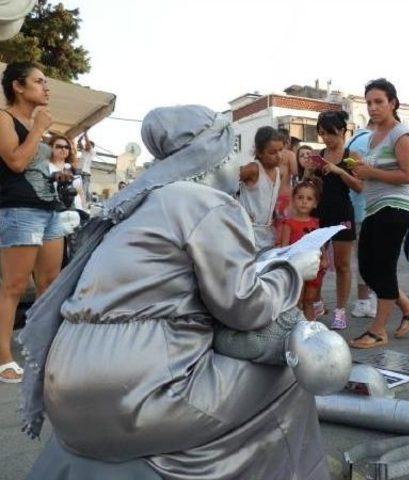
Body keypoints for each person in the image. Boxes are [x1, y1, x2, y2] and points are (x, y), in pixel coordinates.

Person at [21, 105, 331, 480]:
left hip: (66, 397)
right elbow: (244, 307)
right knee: (291, 373)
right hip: (140, 395)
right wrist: (291, 270)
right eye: (236, 153)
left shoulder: (135, 204)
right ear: (218, 156)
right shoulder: (205, 202)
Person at [349, 78, 409, 349]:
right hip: (373, 208)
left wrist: (371, 172)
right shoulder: (371, 138)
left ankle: (378, 329)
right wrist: (358, 166)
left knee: (381, 266)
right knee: (368, 267)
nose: (373, 107)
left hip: (395, 208)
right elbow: (370, 175)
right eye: (369, 103)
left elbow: (407, 176)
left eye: (379, 102)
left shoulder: (400, 134)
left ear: (392, 103)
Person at [0, 62, 59, 384]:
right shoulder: (4, 118)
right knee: (14, 286)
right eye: (39, 81)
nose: (46, 87)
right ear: (18, 87)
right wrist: (37, 130)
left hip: (48, 208)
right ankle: (3, 357)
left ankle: (38, 343)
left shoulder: (37, 122)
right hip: (18, 209)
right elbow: (16, 162)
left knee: (50, 283)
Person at [310, 110, 363, 329]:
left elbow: (360, 187)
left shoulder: (352, 155)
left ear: (342, 131)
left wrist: (338, 171)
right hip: (319, 212)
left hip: (342, 212)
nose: (326, 139)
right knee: (314, 262)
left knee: (342, 264)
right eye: (322, 133)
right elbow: (309, 186)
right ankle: (316, 303)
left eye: (330, 133)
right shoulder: (319, 153)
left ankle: (340, 310)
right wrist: (310, 172)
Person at [280, 178, 328, 320]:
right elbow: (284, 247)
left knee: (309, 300)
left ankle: (309, 328)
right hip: (297, 268)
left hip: (314, 267)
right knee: (297, 300)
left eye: (309, 199)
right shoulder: (289, 223)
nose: (304, 201)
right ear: (294, 199)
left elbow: (320, 244)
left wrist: (324, 259)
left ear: (315, 204)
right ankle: (294, 327)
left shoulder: (315, 223)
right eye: (300, 197)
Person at [347, 122, 377, 319]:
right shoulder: (372, 142)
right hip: (373, 205)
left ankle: (362, 301)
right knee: (375, 257)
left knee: (360, 257)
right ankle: (374, 299)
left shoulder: (349, 144)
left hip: (356, 207)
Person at [238, 126, 283, 250]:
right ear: (259, 152)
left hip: (267, 232)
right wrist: (237, 209)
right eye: (272, 152)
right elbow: (225, 184)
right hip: (247, 231)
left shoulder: (279, 172)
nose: (279, 156)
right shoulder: (253, 169)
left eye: (280, 150)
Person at [47, 134, 86, 211]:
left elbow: (80, 193)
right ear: (50, 148)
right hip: (53, 211)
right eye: (59, 146)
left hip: (75, 213)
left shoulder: (73, 169)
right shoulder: (45, 167)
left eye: (66, 147)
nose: (63, 149)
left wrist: (83, 209)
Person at [274, 128, 298, 224]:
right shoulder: (290, 154)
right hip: (285, 194)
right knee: (285, 224)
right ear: (288, 140)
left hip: (272, 196)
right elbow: (295, 172)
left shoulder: (271, 154)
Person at [78, 130, 96, 204]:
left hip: (86, 174)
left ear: (92, 147)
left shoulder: (92, 152)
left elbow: (88, 144)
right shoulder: (84, 151)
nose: (85, 145)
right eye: (85, 145)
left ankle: (83, 205)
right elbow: (79, 142)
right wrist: (82, 136)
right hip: (79, 172)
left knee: (84, 191)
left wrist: (85, 134)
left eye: (87, 145)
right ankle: (78, 203)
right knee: (77, 189)